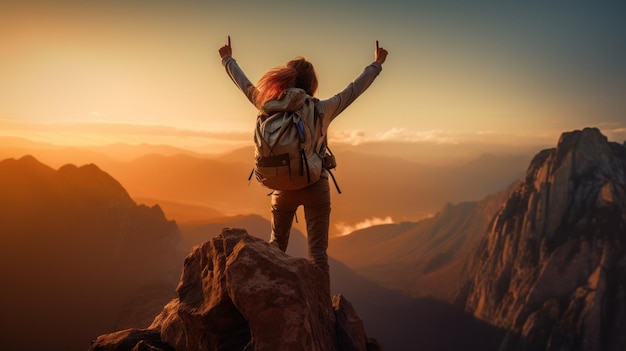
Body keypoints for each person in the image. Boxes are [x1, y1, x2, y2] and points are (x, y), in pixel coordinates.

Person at [219, 36, 388, 293]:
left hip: (281, 188)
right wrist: (377, 63)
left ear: (286, 79)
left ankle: (269, 299)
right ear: (312, 84)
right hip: (314, 184)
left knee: (276, 246)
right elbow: (355, 89)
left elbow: (244, 84)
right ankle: (322, 315)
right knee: (318, 254)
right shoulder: (322, 108)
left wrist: (227, 58)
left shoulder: (266, 104)